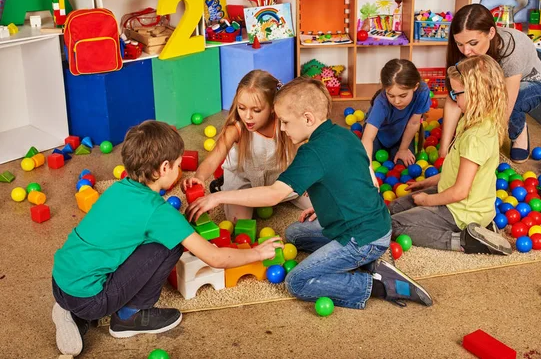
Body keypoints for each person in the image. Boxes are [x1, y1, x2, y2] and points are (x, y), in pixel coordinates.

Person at [186, 77, 433, 310]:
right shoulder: (341, 133)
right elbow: (354, 179)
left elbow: (273, 195)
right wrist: (324, 205)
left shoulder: (312, 152)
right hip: (374, 224)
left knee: (297, 282)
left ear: (307, 118)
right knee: (294, 234)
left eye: (285, 122)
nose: (282, 129)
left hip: (363, 238)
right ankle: (366, 263)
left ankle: (379, 284)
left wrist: (217, 196)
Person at [51, 121, 281, 357]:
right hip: (91, 300)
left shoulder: (117, 189)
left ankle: (69, 310)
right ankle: (129, 316)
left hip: (59, 281)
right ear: (164, 168)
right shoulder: (158, 213)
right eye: (179, 165)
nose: (181, 170)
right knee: (169, 246)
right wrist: (257, 253)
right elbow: (215, 258)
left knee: (125, 245)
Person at [389, 55, 512, 255]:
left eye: (457, 94)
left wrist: (427, 201)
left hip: (461, 210)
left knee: (395, 225)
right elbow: (459, 172)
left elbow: (460, 192)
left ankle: (465, 240)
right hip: (456, 199)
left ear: (477, 93)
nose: (454, 99)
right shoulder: (471, 120)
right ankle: (482, 227)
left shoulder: (477, 137)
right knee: (394, 207)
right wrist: (429, 183)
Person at [182, 70, 311, 222]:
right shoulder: (236, 128)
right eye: (242, 108)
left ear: (272, 107)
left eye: (256, 110)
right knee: (239, 223)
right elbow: (212, 159)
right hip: (244, 180)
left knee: (322, 203)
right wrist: (199, 177)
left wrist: (308, 178)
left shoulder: (285, 124)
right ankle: (222, 183)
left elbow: (304, 153)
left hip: (279, 179)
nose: (247, 116)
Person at [440, 4, 541, 163]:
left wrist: (484, 151)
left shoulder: (512, 50)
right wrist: (444, 150)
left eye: (473, 43)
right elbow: (454, 96)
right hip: (494, 83)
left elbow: (505, 106)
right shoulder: (465, 51)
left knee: (500, 110)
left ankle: (519, 131)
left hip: (531, 83)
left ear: (491, 33)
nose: (465, 51)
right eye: (460, 44)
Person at [362, 59, 431, 165]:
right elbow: (368, 137)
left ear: (415, 87)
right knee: (363, 160)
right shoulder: (381, 103)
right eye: (391, 95)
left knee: (403, 165)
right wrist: (369, 169)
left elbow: (413, 123)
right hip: (378, 135)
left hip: (402, 132)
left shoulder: (422, 91)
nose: (397, 101)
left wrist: (403, 150)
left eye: (403, 95)